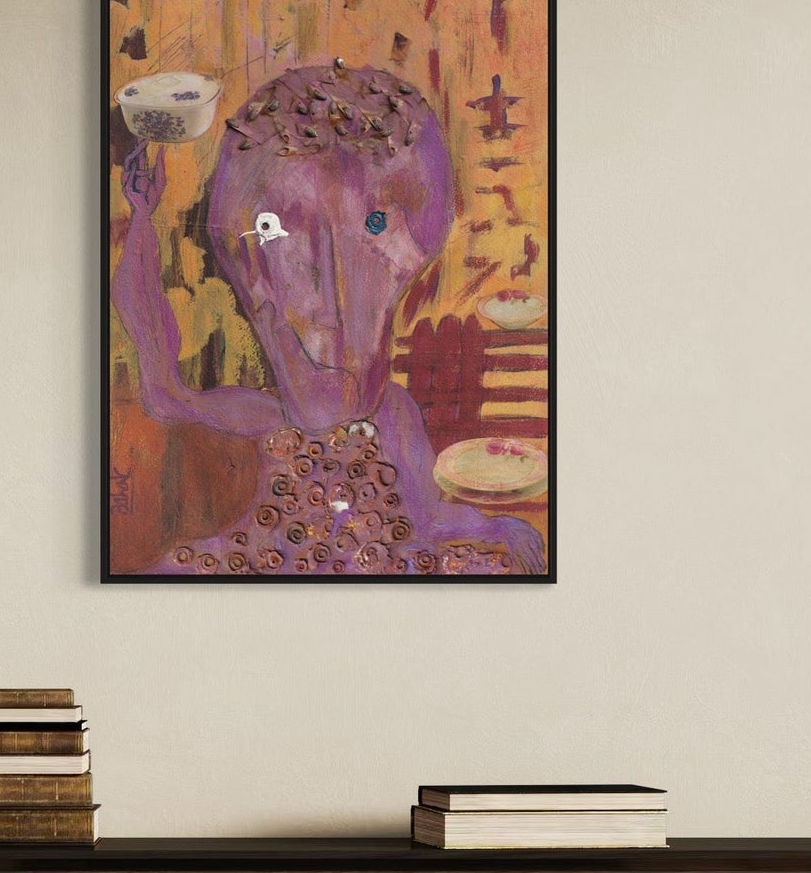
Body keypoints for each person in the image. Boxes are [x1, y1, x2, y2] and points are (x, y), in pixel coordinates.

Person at [110, 60, 546, 575]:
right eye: (288, 233)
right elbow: (163, 392)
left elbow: (431, 516)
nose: (336, 308)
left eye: (374, 228)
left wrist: (497, 528)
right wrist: (140, 214)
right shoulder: (267, 417)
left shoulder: (394, 414)